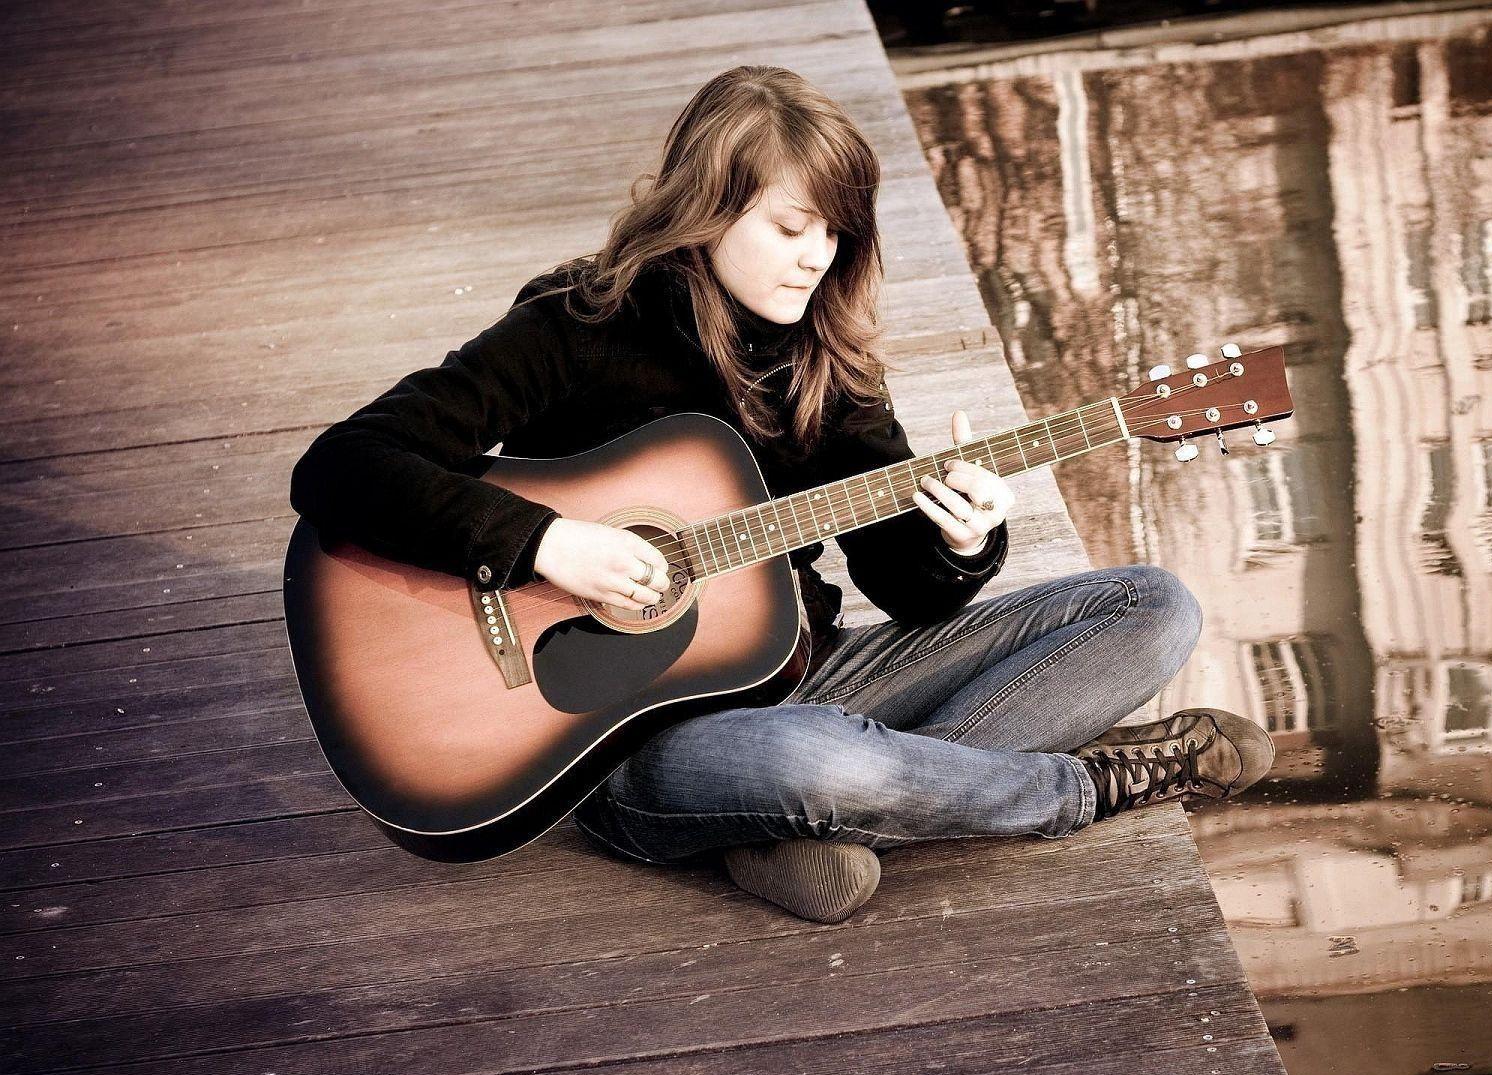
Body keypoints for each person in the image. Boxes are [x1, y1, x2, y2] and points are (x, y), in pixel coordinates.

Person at [288, 66, 1274, 924]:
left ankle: (816, 824)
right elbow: (344, 465)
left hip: (811, 677)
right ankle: (1068, 790)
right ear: (709, 207)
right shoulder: (578, 324)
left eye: (839, 236)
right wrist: (548, 545)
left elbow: (909, 592)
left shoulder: (827, 365)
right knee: (816, 762)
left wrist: (961, 542)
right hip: (620, 745)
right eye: (794, 227)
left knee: (1154, 610)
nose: (819, 259)